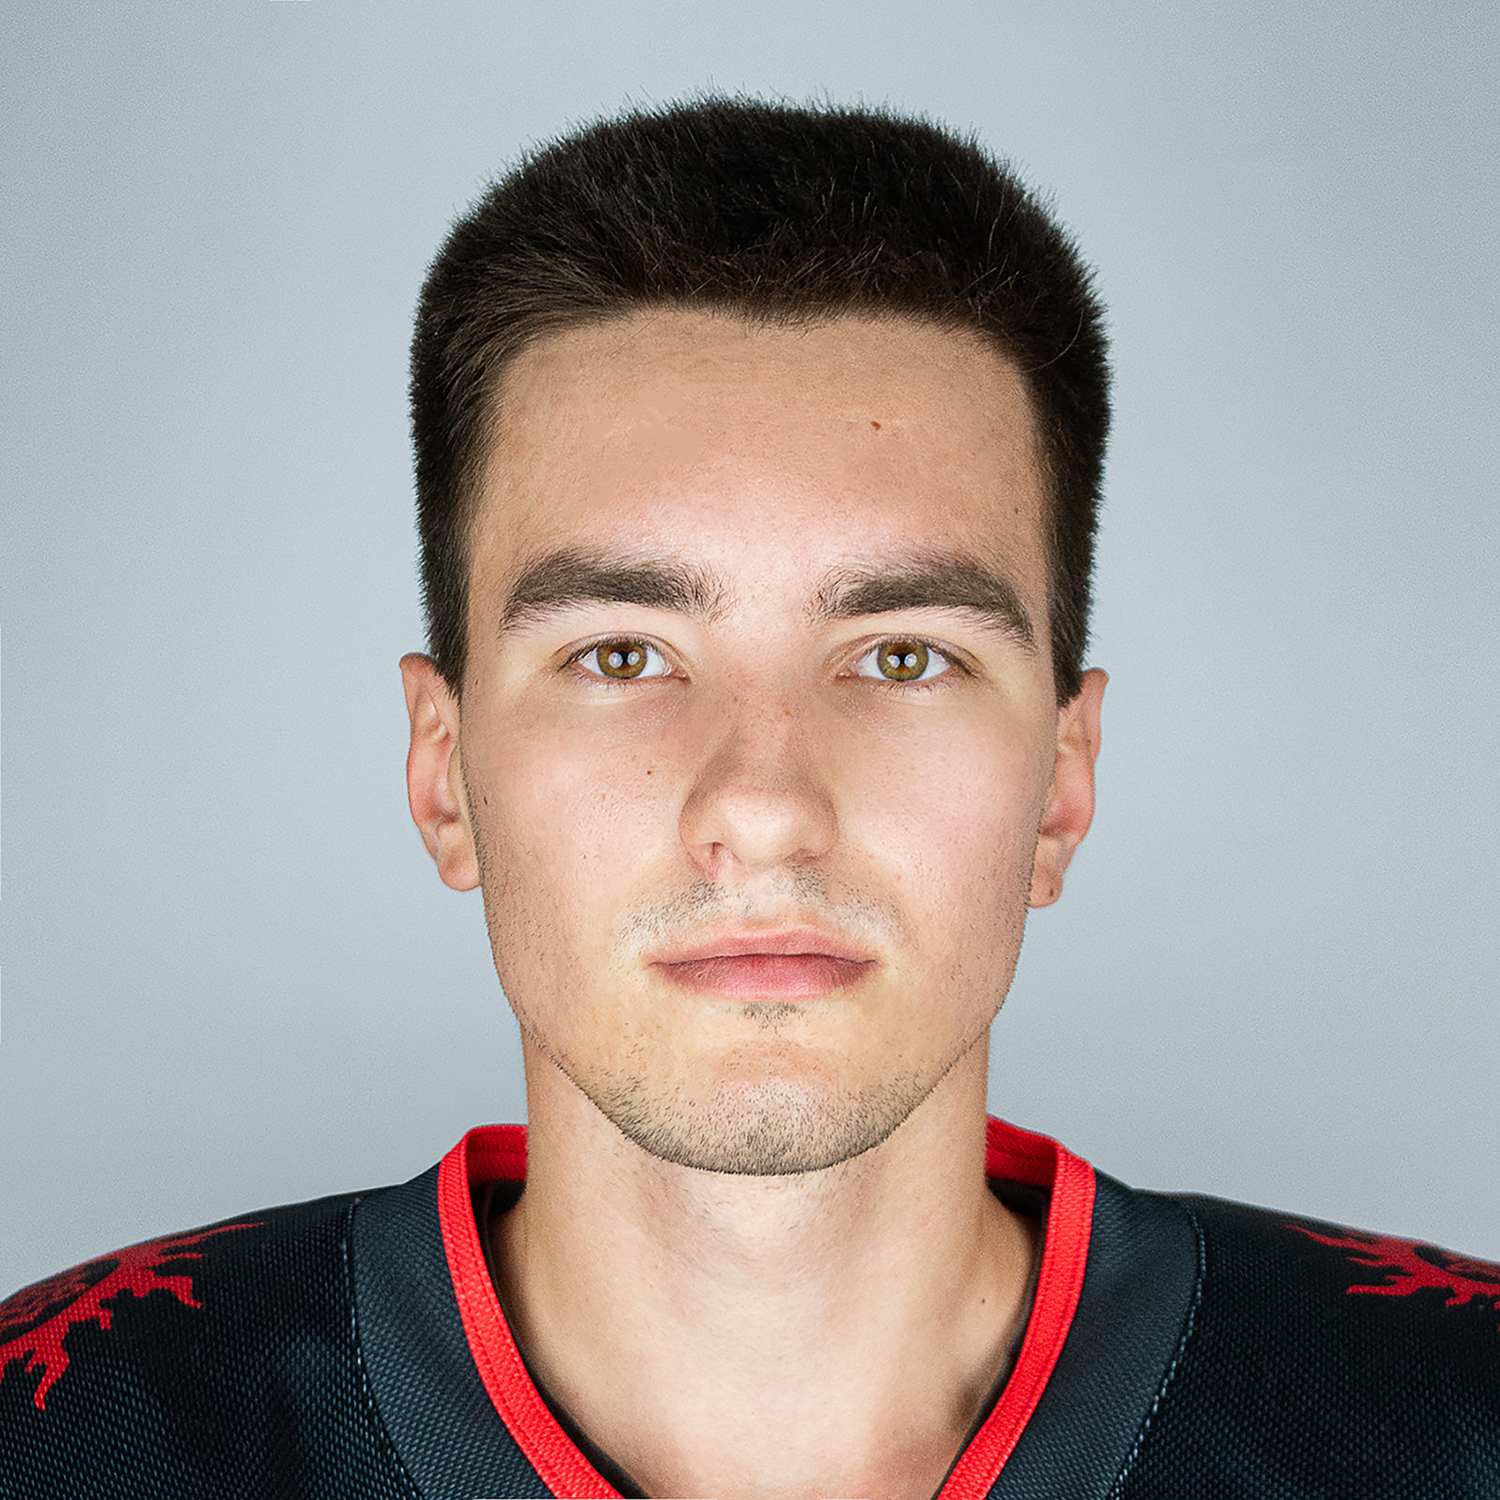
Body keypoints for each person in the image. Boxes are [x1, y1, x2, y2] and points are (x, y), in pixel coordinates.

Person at [2, 96, 1497, 1500]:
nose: (766, 806)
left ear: (1062, 779)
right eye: (623, 654)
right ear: (445, 773)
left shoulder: (1456, 1417)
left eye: (903, 656)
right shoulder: (57, 1436)